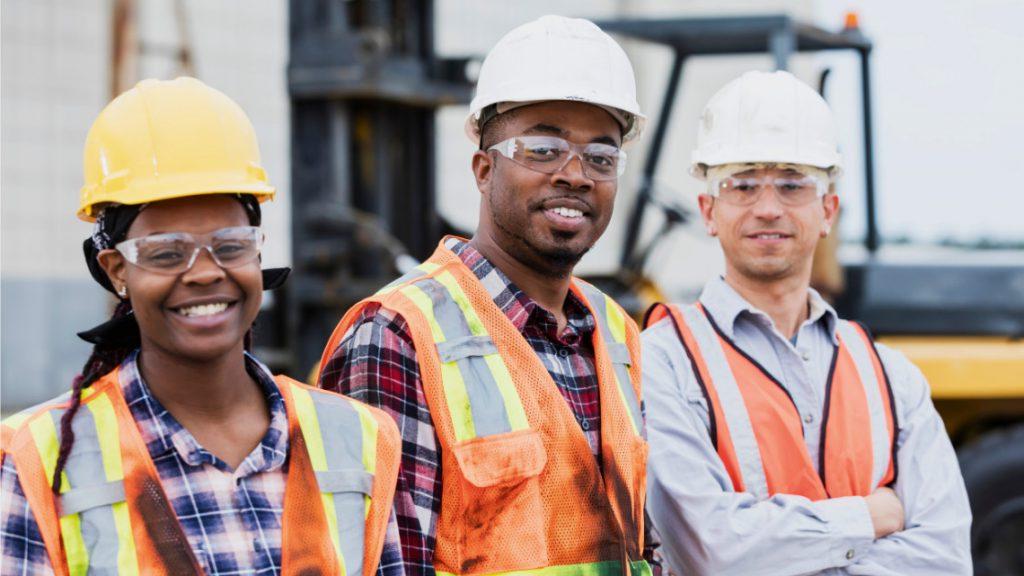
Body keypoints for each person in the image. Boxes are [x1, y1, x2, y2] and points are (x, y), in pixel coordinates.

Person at [0, 77, 403, 576]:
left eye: (230, 245)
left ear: (258, 250)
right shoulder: (38, 459)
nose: (206, 271)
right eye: (166, 252)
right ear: (116, 270)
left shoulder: (358, 438)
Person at [318, 15, 653, 576]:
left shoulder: (617, 332)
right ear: (482, 168)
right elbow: (385, 562)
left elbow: (646, 545)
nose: (576, 174)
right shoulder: (398, 337)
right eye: (543, 149)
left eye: (600, 157)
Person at [642, 70, 972, 575]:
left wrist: (774, 549)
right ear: (709, 210)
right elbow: (711, 552)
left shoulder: (891, 376)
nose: (768, 208)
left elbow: (944, 560)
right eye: (743, 185)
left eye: (793, 185)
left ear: (827, 211)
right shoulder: (659, 361)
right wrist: (867, 517)